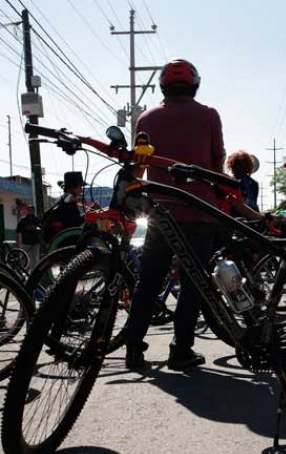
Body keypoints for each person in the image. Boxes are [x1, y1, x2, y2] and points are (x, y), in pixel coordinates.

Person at [122, 59, 225, 371]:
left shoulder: (147, 118)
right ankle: (180, 350)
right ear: (194, 85)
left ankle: (133, 349)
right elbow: (216, 163)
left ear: (163, 87)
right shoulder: (209, 115)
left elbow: (138, 165)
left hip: (160, 214)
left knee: (148, 282)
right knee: (193, 285)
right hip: (199, 211)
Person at [39, 172, 86, 249]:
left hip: (56, 237)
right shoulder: (70, 199)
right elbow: (75, 222)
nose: (81, 191)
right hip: (67, 240)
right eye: (80, 187)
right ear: (72, 187)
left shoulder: (61, 199)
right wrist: (88, 215)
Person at [14, 200, 41, 267]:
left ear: (34, 210)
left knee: (35, 258)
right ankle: (21, 270)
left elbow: (40, 228)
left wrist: (35, 228)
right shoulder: (23, 220)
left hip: (35, 242)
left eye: (31, 210)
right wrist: (27, 229)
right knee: (23, 257)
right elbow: (18, 231)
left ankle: (34, 272)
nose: (30, 211)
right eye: (29, 210)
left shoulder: (37, 219)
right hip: (26, 242)